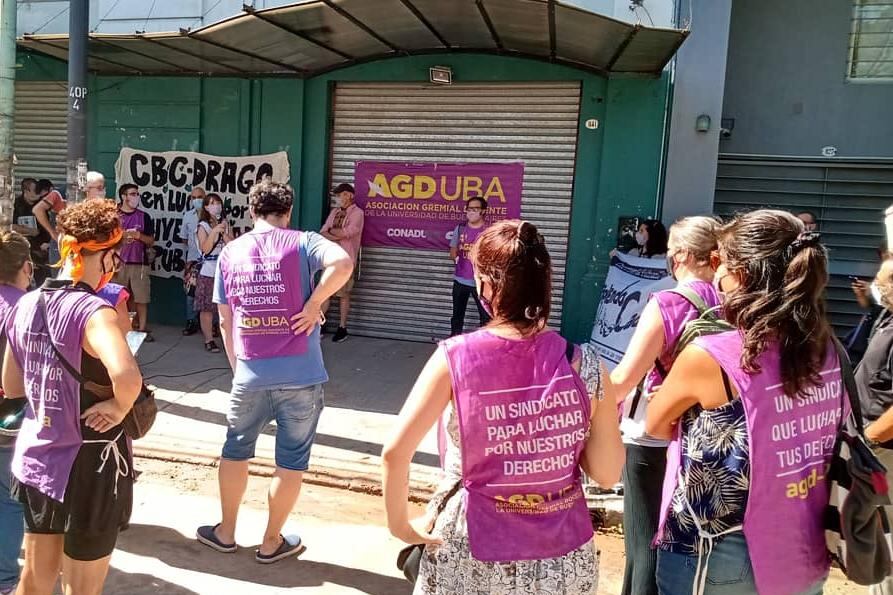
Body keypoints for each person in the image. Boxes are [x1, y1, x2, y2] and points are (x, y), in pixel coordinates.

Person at [382, 220, 624, 595]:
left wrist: (400, 525)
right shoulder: (588, 364)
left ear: (486, 286)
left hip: (471, 548)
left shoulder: (454, 358)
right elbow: (608, 474)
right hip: (562, 558)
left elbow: (395, 452)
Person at [646, 210, 840, 595]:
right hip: (804, 549)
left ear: (743, 274)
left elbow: (654, 423)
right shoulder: (828, 349)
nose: (714, 274)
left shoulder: (712, 355)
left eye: (719, 261)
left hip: (720, 555)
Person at [196, 180, 352, 563]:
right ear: (289, 211)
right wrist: (315, 302)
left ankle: (226, 531)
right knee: (291, 460)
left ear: (252, 211)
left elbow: (224, 320)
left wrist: (238, 369)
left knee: (235, 451)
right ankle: (271, 541)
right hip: (302, 375)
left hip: (250, 373)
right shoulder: (303, 242)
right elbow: (344, 263)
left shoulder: (232, 251)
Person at [1, 198, 142, 595]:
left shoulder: (25, 304)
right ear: (109, 256)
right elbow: (128, 378)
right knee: (82, 584)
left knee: (35, 577)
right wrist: (117, 406)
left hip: (38, 456)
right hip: (91, 464)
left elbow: (12, 387)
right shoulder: (95, 311)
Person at [609, 216, 721, 595]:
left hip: (650, 434)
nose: (669, 260)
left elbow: (625, 379)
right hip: (701, 434)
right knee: (677, 537)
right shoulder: (728, 302)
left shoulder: (668, 303)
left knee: (643, 545)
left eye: (672, 253)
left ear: (685, 256)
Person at [854, 259, 893, 595]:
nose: (875, 286)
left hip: (884, 450)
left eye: (880, 282)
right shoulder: (887, 319)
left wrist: (871, 436)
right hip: (874, 445)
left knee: (886, 533)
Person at [0, 231, 32, 595]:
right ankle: (6, 579)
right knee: (8, 500)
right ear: (26, 266)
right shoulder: (25, 307)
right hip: (9, 418)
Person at [320, 183, 364, 343]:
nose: (337, 198)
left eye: (340, 195)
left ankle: (342, 327)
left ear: (349, 195)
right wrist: (335, 234)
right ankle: (320, 325)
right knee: (325, 292)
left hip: (346, 259)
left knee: (343, 294)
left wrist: (333, 233)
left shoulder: (357, 213)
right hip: (330, 258)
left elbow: (350, 232)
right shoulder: (335, 212)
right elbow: (323, 231)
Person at [113, 184, 156, 342]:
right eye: (132, 193)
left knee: (141, 298)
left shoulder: (144, 217)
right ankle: (122, 327)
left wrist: (138, 235)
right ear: (124, 197)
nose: (136, 196)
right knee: (119, 298)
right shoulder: (113, 215)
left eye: (137, 194)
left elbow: (151, 241)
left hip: (140, 263)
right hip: (118, 263)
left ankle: (142, 329)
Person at [448, 196, 491, 336]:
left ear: (483, 211)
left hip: (482, 283)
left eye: (475, 209)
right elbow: (453, 251)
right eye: (469, 209)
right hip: (460, 280)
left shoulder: (489, 231)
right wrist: (456, 257)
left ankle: (483, 346)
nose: (471, 212)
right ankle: (454, 343)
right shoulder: (460, 229)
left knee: (486, 318)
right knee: (457, 316)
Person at [195, 193, 233, 353]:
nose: (215, 206)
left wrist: (223, 232)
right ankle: (209, 339)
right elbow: (205, 248)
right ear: (206, 207)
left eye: (217, 202)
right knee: (207, 307)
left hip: (224, 269)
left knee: (226, 306)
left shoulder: (225, 223)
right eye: (211, 203)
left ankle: (227, 338)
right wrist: (214, 232)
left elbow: (232, 244)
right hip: (208, 270)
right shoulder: (202, 226)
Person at [12, 178, 51, 285]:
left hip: (42, 249)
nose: (38, 193)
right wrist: (28, 231)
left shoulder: (42, 205)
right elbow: (9, 226)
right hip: (23, 248)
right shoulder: (16, 205)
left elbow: (49, 225)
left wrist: (48, 242)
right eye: (35, 190)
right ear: (26, 191)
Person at [180, 187, 206, 336]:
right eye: (194, 197)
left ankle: (213, 324)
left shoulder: (214, 216)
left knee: (210, 293)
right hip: (192, 260)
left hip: (210, 261)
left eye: (200, 197)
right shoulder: (187, 216)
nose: (197, 200)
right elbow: (184, 238)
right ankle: (191, 322)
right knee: (190, 293)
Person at [31, 179, 66, 270]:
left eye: (46, 196)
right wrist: (52, 233)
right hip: (59, 245)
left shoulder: (59, 194)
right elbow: (37, 210)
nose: (45, 199)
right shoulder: (57, 194)